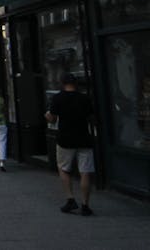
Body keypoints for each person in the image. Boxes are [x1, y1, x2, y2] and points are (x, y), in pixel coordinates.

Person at [45, 72, 96, 216]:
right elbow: (91, 117)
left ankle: (70, 198)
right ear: (76, 84)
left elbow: (53, 119)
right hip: (84, 138)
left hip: (65, 139)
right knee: (85, 171)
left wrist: (47, 117)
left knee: (63, 168)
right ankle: (85, 205)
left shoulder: (58, 98)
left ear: (62, 83)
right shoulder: (84, 98)